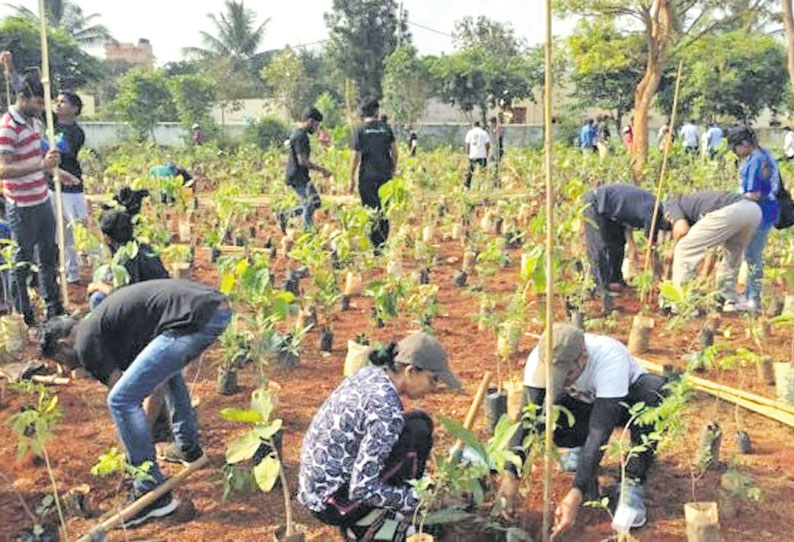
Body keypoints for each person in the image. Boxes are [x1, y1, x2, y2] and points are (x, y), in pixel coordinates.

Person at [40, 279, 231, 527]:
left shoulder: (85, 343)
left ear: (62, 345)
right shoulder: (104, 325)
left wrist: (136, 450)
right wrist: (139, 435)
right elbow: (154, 384)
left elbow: (128, 398)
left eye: (59, 361)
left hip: (194, 319)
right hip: (213, 307)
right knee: (165, 372)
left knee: (119, 400)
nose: (64, 368)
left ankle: (151, 492)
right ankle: (188, 447)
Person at [497, 323, 668, 536]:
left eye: (566, 375)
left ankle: (632, 482)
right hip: (583, 402)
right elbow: (528, 418)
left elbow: (600, 431)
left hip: (625, 401)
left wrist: (576, 492)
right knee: (550, 415)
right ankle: (578, 450)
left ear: (583, 357)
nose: (562, 381)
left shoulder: (609, 358)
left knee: (655, 394)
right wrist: (510, 474)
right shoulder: (538, 359)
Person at [298, 332, 461, 541]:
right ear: (411, 371)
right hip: (333, 504)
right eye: (433, 379)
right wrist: (416, 499)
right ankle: (363, 526)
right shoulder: (385, 411)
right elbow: (361, 489)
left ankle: (384, 512)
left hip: (317, 485)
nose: (435, 388)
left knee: (418, 425)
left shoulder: (370, 375)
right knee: (417, 433)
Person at [0, 59, 64, 327]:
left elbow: (41, 154)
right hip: (21, 206)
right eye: (37, 102)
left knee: (49, 257)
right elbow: (3, 169)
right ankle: (26, 315)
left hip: (42, 200)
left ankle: (53, 310)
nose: (40, 108)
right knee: (22, 262)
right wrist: (40, 165)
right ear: (23, 98)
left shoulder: (35, 122)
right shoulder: (8, 127)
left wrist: (53, 168)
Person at [665, 190, 761, 312]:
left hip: (732, 210)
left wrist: (672, 249)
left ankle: (682, 304)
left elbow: (681, 230)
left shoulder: (671, 203)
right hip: (753, 210)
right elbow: (712, 249)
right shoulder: (696, 205)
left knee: (684, 248)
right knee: (732, 254)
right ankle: (728, 298)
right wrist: (704, 274)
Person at [728, 126, 780, 312]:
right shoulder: (762, 155)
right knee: (751, 255)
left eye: (736, 148)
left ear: (745, 144)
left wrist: (732, 198)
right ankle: (750, 295)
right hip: (763, 211)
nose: (736, 153)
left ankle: (754, 300)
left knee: (753, 255)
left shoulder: (757, 160)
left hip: (761, 213)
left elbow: (754, 194)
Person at [584, 184, 664, 294]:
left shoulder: (652, 207)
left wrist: (632, 246)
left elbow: (628, 217)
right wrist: (657, 278)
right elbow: (651, 248)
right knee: (599, 247)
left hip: (612, 211)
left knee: (618, 243)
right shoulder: (654, 213)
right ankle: (599, 287)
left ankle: (615, 280)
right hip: (597, 202)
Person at [87, 209, 169, 310]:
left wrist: (99, 286)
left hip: (144, 310)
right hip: (163, 303)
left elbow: (128, 296)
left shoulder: (125, 257)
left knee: (97, 298)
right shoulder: (144, 248)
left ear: (107, 238)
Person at [50, 91, 87, 284]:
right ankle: (68, 271)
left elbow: (63, 150)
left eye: (63, 102)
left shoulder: (76, 133)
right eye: (57, 101)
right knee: (59, 232)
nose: (58, 104)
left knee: (80, 228)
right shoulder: (50, 121)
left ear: (75, 109)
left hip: (71, 188)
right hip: (52, 185)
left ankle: (90, 266)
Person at [349, 100, 397, 250]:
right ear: (376, 112)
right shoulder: (386, 128)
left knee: (370, 210)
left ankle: (373, 244)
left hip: (367, 176)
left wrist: (350, 178)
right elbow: (395, 153)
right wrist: (392, 170)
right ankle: (381, 245)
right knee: (384, 210)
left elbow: (356, 156)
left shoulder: (360, 130)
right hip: (385, 176)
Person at [279, 108, 330, 233]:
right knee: (309, 205)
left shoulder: (300, 134)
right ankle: (308, 234)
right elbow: (302, 161)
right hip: (297, 176)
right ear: (310, 121)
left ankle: (285, 215)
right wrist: (322, 170)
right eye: (316, 125)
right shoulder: (301, 136)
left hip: (301, 175)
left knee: (316, 202)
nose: (317, 128)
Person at [464, 121, 490, 189]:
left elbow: (467, 144)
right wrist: (487, 153)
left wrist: (467, 154)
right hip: (482, 155)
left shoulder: (470, 132)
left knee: (470, 171)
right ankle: (482, 186)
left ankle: (467, 185)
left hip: (473, 155)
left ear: (474, 126)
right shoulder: (484, 133)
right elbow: (487, 144)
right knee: (482, 171)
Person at [488, 116, 504, 187]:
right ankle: (493, 182)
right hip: (493, 149)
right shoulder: (492, 130)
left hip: (497, 150)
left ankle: (497, 182)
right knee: (492, 166)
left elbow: (498, 140)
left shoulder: (498, 130)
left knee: (496, 166)